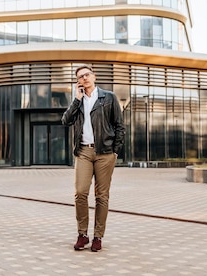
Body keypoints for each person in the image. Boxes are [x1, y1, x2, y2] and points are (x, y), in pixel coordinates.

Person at [61, 65, 125, 252]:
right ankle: (82, 234)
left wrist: (115, 151)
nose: (84, 78)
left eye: (87, 74)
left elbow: (119, 126)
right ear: (78, 82)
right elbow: (65, 121)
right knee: (80, 193)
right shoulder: (78, 101)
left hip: (105, 152)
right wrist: (76, 99)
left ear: (94, 76)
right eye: (80, 77)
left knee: (101, 196)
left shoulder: (109, 97)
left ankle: (98, 236)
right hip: (83, 152)